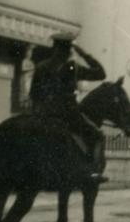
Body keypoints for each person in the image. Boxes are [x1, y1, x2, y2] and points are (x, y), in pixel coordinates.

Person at [29, 32, 107, 182]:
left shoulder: (41, 66)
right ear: (69, 50)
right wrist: (84, 54)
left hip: (43, 114)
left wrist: (36, 114)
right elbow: (101, 73)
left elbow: (34, 95)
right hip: (68, 113)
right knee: (97, 135)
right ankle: (93, 172)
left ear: (54, 47)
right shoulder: (72, 68)